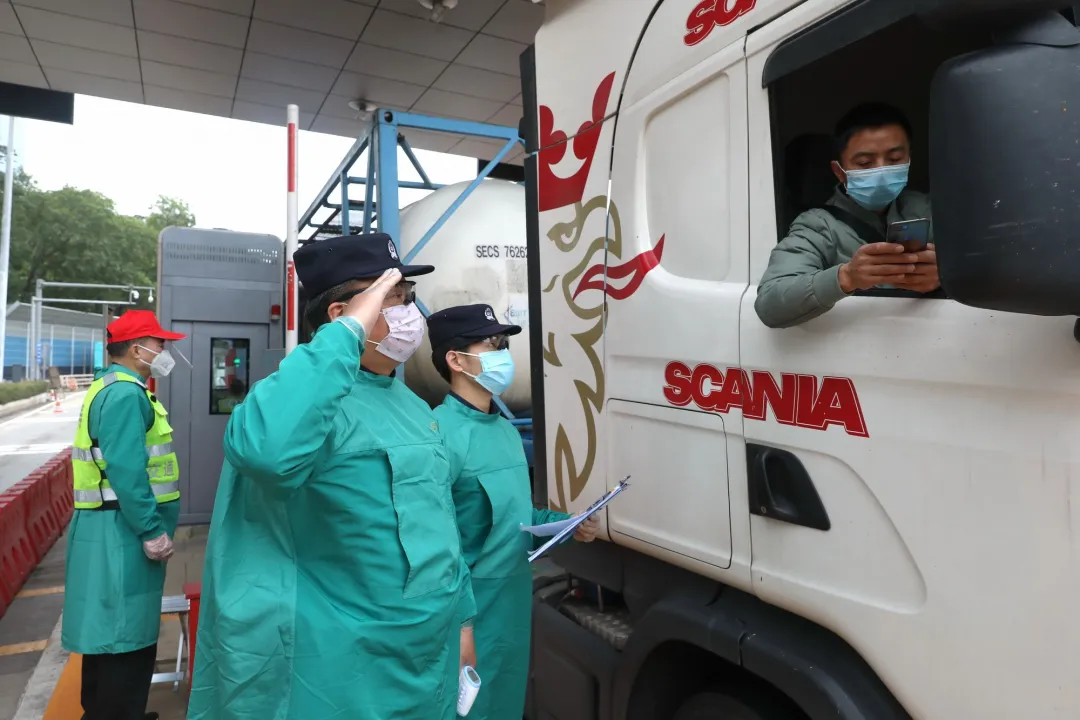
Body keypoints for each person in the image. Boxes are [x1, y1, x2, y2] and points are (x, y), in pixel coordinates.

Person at [188, 233, 475, 720]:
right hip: (340, 666)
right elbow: (268, 454)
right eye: (390, 298)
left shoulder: (410, 405)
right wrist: (344, 337)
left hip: (425, 657)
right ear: (342, 314)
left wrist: (463, 621)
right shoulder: (293, 400)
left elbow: (439, 522)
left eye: (408, 296)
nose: (409, 313)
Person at [427, 303, 600, 719]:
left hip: (512, 605)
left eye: (503, 344)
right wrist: (462, 623)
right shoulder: (436, 435)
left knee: (505, 704)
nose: (503, 354)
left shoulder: (505, 431)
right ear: (455, 360)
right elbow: (434, 545)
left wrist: (566, 524)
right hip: (467, 612)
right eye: (491, 344)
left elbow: (518, 517)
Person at [64, 310, 186, 720]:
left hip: (112, 527)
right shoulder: (124, 395)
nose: (164, 350)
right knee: (125, 635)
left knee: (109, 633)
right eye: (159, 343)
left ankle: (106, 712)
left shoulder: (112, 387)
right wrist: (151, 530)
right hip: (122, 532)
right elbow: (127, 470)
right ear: (136, 350)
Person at [755, 103, 940, 329]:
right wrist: (846, 277)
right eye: (865, 163)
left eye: (894, 159)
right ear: (839, 171)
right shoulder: (817, 225)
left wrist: (945, 276)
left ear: (909, 159)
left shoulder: (929, 209)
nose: (881, 172)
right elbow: (769, 304)